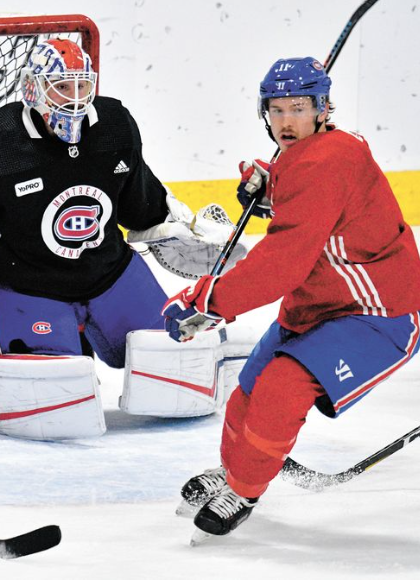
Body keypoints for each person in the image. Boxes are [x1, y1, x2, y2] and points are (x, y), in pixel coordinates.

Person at [164, 56, 420, 541]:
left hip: (375, 313)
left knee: (282, 388)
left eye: (298, 108)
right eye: (276, 109)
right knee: (250, 390)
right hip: (319, 302)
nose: (285, 121)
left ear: (323, 108)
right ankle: (236, 469)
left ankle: (243, 488)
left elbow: (283, 261)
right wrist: (270, 181)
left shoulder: (329, 159)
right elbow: (310, 197)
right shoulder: (312, 150)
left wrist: (208, 299)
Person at [0, 39, 172, 367]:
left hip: (109, 274)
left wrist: (179, 224)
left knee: (169, 355)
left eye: (82, 86)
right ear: (33, 89)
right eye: (62, 87)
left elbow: (141, 207)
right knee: (56, 384)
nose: (75, 99)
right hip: (25, 285)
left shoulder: (115, 126)